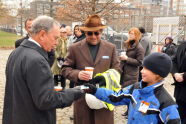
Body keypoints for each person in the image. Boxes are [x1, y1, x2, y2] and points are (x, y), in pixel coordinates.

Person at [3, 16, 84, 124]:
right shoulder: (37, 60)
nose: (56, 43)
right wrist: (75, 92)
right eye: (55, 38)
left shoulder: (16, 53)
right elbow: (46, 100)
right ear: (42, 35)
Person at [85, 52, 181, 124]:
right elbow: (115, 97)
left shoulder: (166, 103)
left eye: (146, 69)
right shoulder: (135, 88)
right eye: (142, 67)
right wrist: (95, 90)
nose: (142, 71)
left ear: (158, 74)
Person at [62, 14, 121, 124]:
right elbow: (65, 69)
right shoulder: (74, 48)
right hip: (82, 98)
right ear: (85, 32)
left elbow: (117, 69)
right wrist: (77, 74)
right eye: (90, 33)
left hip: (104, 98)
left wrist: (105, 78)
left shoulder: (110, 48)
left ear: (101, 32)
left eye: (96, 33)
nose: (93, 36)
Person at [171, 41, 186, 123]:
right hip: (180, 90)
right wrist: (175, 73)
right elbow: (174, 60)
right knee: (179, 114)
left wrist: (184, 76)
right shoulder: (182, 45)